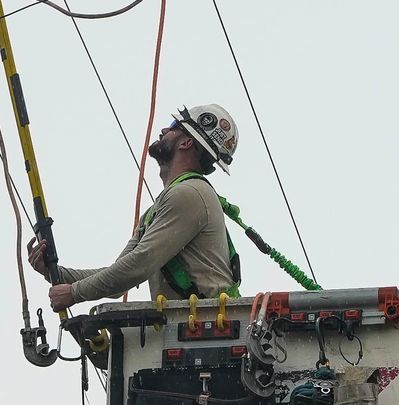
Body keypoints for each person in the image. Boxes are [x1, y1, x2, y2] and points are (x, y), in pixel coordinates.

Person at [31, 103, 243, 308]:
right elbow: (119, 276)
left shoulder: (189, 194)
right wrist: (55, 273)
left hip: (210, 331)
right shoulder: (159, 209)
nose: (163, 130)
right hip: (192, 331)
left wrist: (75, 293)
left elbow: (139, 264)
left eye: (173, 125)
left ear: (186, 142)